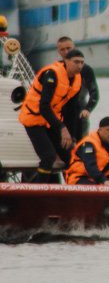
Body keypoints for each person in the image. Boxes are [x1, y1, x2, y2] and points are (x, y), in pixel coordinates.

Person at [18, 48, 86, 182]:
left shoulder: (77, 79)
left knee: (70, 156)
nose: (79, 66)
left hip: (51, 120)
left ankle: (74, 188)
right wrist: (62, 128)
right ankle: (39, 190)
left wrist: (71, 136)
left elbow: (72, 110)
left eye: (82, 62)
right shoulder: (52, 74)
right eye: (76, 62)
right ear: (66, 61)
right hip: (33, 118)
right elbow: (44, 107)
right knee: (48, 156)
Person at [56, 36, 100, 141]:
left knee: (81, 143)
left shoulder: (85, 70)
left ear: (74, 47)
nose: (66, 52)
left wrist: (88, 109)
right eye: (62, 49)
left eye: (68, 48)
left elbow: (94, 92)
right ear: (58, 51)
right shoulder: (55, 69)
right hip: (59, 113)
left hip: (80, 112)